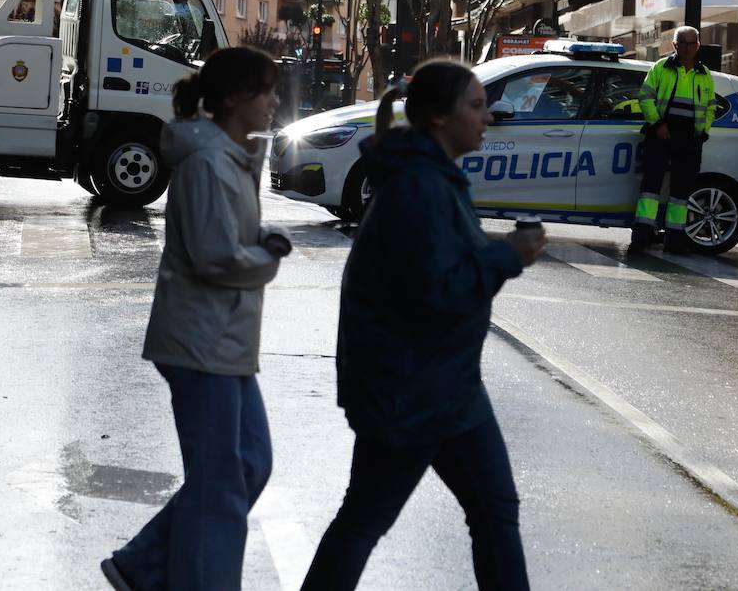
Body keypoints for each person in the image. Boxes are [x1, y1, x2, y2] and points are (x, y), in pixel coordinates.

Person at [301, 59, 548, 591]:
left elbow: (437, 263)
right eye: (477, 106)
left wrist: (495, 251)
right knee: (367, 518)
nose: (490, 116)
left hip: (444, 384)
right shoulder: (420, 186)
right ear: (439, 117)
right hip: (410, 390)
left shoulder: (431, 176)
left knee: (493, 510)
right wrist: (507, 256)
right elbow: (438, 292)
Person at [102, 46, 291, 591]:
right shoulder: (209, 162)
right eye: (268, 90)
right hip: (201, 341)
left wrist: (259, 245)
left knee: (249, 463)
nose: (276, 101)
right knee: (220, 488)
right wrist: (267, 256)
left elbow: (227, 242)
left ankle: (141, 564)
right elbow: (215, 257)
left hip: (225, 341)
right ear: (234, 97)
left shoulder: (229, 156)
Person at [629, 26, 716, 254]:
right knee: (651, 188)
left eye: (692, 43)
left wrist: (703, 131)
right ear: (675, 45)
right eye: (683, 43)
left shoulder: (704, 73)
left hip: (690, 138)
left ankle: (674, 240)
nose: (688, 48)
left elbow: (710, 106)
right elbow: (645, 97)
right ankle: (641, 237)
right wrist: (658, 125)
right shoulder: (661, 68)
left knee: (681, 193)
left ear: (698, 45)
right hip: (661, 134)